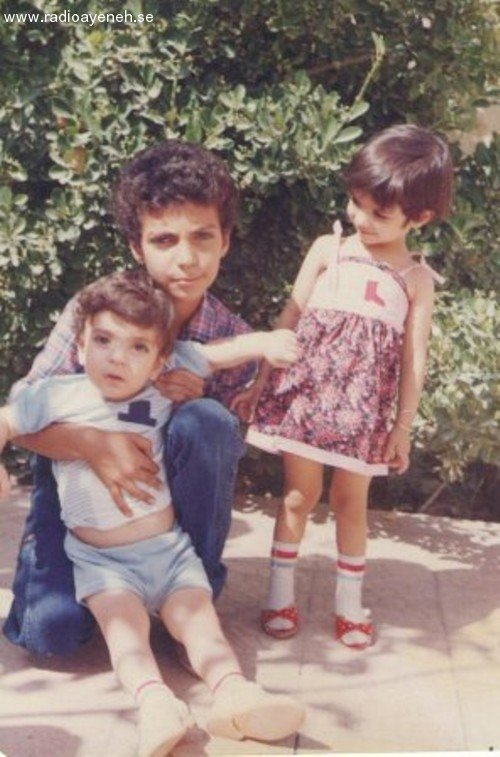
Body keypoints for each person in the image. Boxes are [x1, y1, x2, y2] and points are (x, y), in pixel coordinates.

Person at [0, 270, 304, 755]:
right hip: (102, 564)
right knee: (127, 640)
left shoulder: (162, 386)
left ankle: (236, 695)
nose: (117, 357)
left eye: (138, 347)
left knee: (201, 628)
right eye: (103, 340)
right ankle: (157, 705)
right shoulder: (56, 395)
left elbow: (216, 353)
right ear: (80, 343)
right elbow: (7, 419)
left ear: (161, 359)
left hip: (168, 551)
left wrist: (266, 342)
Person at [3, 139, 261, 657]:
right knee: (49, 633)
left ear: (225, 241)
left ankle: (191, 592)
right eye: (165, 240)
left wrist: (189, 401)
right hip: (83, 506)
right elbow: (24, 411)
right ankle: (101, 592)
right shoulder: (98, 312)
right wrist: (91, 442)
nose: (186, 258)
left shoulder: (231, 340)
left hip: (162, 528)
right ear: (137, 247)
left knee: (207, 421)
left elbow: (220, 462)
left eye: (202, 236)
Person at [234, 124, 453, 649]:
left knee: (351, 503)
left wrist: (402, 427)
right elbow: (290, 317)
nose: (362, 219)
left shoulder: (415, 279)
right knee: (297, 496)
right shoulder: (327, 250)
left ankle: (349, 606)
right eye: (357, 203)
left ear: (419, 218)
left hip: (362, 416)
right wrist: (260, 381)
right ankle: (279, 596)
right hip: (306, 402)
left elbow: (414, 358)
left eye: (380, 213)